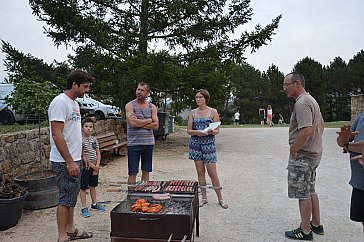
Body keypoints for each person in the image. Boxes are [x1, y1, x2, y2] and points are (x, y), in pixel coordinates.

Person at [48, 70, 94, 242]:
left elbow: (74, 134)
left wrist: (81, 155)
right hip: (63, 161)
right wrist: (69, 161)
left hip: (74, 159)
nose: (86, 90)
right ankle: (62, 236)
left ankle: (71, 229)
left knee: (72, 195)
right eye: (85, 86)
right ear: (74, 85)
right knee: (64, 198)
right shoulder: (60, 102)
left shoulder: (74, 103)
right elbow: (57, 135)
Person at [282, 72, 325, 240]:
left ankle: (305, 230)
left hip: (303, 156)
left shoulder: (302, 103)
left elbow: (306, 130)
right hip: (313, 154)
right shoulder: (311, 100)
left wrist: (294, 149)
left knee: (303, 194)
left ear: (297, 83)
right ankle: (316, 224)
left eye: (286, 84)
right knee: (310, 189)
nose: (284, 88)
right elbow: (321, 125)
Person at [187, 89, 228, 209]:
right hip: (196, 144)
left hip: (209, 145)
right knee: (200, 172)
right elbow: (189, 130)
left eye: (200, 97)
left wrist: (211, 131)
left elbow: (217, 130)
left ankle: (220, 198)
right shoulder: (193, 113)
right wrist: (197, 132)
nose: (198, 99)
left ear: (205, 98)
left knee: (212, 173)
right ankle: (204, 197)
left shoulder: (213, 112)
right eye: (196, 97)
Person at [125, 82, 158, 186]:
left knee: (146, 171)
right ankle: (131, 195)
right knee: (132, 172)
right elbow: (133, 123)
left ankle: (144, 195)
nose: (139, 92)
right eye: (138, 89)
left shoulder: (152, 107)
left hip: (148, 143)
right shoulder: (130, 105)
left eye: (142, 90)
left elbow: (156, 125)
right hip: (134, 144)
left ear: (147, 93)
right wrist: (149, 120)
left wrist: (140, 123)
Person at [336, 116, 364, 234]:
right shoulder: (362, 116)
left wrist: (348, 146)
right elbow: (340, 142)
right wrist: (343, 138)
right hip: (359, 181)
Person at [79, 117, 105, 218]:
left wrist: (97, 166)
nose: (88, 128)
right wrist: (94, 167)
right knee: (83, 187)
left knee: (93, 186)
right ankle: (84, 207)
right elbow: (83, 156)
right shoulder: (80, 140)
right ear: (82, 128)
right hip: (86, 167)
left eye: (90, 127)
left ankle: (94, 204)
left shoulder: (94, 139)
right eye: (86, 126)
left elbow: (98, 153)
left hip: (95, 167)